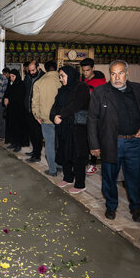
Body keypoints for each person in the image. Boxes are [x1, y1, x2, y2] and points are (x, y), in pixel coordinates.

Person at [88, 60, 140, 222]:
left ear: (127, 73)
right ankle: (111, 206)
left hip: (134, 142)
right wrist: (94, 145)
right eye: (113, 74)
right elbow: (92, 119)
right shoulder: (100, 92)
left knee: (135, 177)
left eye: (120, 73)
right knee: (109, 177)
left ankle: (136, 208)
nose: (117, 77)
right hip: (111, 142)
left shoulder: (138, 89)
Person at [50, 65, 90, 194]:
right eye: (59, 76)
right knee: (65, 153)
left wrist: (60, 115)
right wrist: (53, 116)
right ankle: (68, 178)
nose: (60, 79)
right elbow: (54, 106)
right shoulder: (62, 90)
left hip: (77, 129)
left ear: (71, 75)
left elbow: (76, 105)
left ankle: (80, 184)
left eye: (62, 76)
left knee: (78, 156)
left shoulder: (81, 87)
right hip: (64, 128)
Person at [32, 60, 61, 176]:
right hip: (61, 118)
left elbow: (35, 102)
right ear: (56, 68)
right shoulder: (62, 80)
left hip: (46, 118)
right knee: (60, 144)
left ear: (44, 69)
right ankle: (60, 165)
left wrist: (37, 116)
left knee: (49, 145)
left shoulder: (39, 82)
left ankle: (53, 170)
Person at [80, 57, 107, 175]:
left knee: (94, 139)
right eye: (83, 70)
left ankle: (93, 164)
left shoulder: (100, 83)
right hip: (83, 114)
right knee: (85, 139)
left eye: (87, 70)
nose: (85, 73)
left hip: (97, 115)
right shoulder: (82, 80)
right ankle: (85, 162)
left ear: (93, 69)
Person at [24, 60, 44, 163]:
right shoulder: (28, 77)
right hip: (28, 110)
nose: (31, 72)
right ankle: (34, 151)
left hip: (38, 112)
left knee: (37, 134)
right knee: (32, 133)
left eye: (33, 70)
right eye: (30, 70)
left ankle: (37, 155)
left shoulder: (43, 78)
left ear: (38, 68)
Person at [3, 69, 26, 152]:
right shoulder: (10, 84)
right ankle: (13, 142)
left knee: (17, 128)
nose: (11, 78)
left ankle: (18, 144)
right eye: (10, 77)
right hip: (11, 110)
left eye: (13, 76)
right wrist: (5, 98)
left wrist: (9, 99)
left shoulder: (21, 84)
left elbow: (19, 97)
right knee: (11, 127)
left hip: (18, 110)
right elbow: (7, 92)